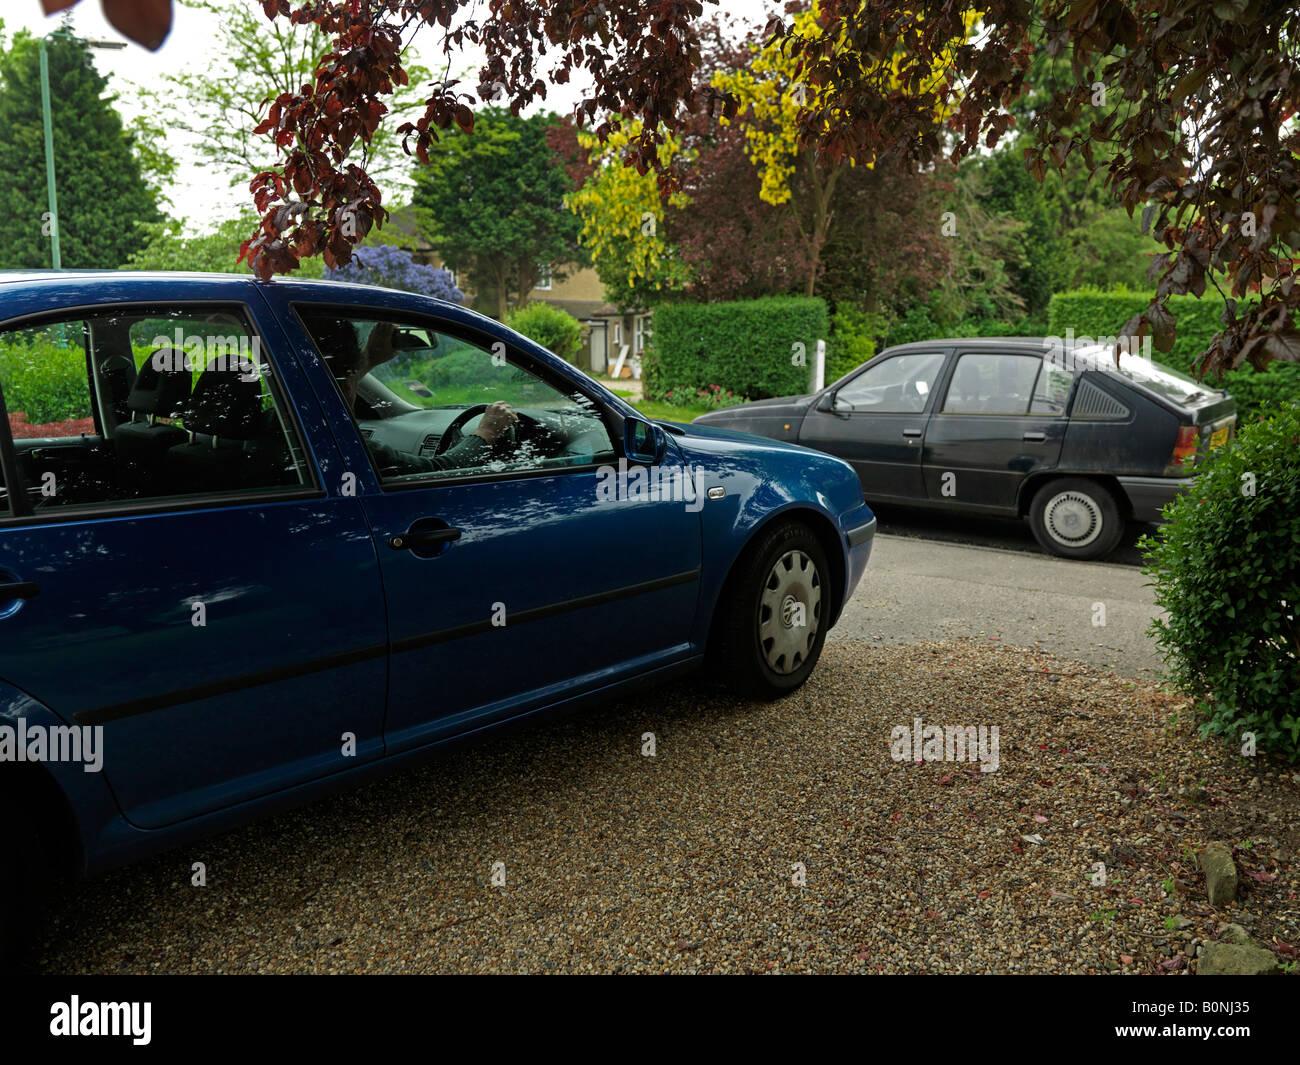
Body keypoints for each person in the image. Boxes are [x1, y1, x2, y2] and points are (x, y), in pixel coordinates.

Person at [306, 316, 518, 475]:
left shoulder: (285, 424)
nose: (351, 383)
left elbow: (331, 382)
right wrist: (486, 432)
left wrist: (368, 359)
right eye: (349, 374)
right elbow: (438, 471)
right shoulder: (341, 445)